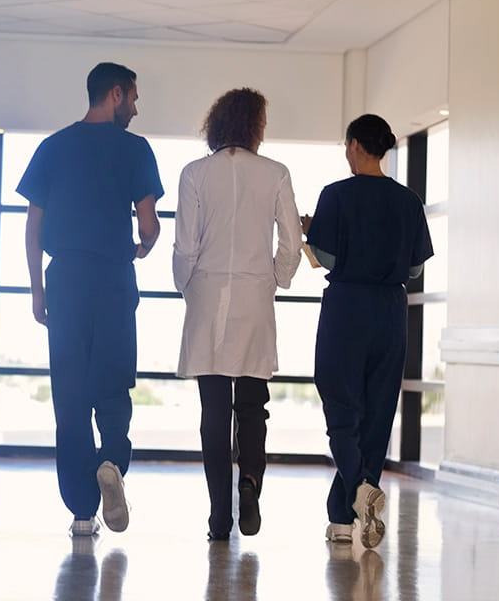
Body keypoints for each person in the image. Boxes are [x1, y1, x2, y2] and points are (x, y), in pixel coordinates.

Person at [16, 62, 164, 537]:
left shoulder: (53, 147)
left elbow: (33, 226)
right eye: (134, 99)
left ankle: (82, 511)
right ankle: (112, 462)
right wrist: (146, 244)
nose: (136, 109)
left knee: (71, 395)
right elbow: (147, 224)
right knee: (113, 383)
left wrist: (38, 290)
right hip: (113, 279)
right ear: (115, 94)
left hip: (66, 282)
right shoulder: (135, 150)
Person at [172, 88, 304, 540]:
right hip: (254, 299)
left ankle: (217, 518)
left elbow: (185, 245)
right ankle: (249, 482)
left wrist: (186, 286)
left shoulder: (194, 174)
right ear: (255, 126)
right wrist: (277, 279)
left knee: (213, 412)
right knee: (252, 407)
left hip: (208, 296)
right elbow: (290, 241)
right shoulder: (275, 174)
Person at [302, 113, 433, 549]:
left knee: (342, 410)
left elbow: (323, 259)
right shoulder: (409, 200)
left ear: (356, 145)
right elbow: (414, 267)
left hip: (347, 308)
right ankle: (344, 519)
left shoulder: (336, 195)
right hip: (392, 310)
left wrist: (307, 234)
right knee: (377, 415)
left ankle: (359, 491)